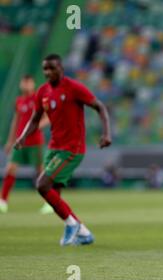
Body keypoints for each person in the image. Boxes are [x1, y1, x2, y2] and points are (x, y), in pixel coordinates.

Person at [14, 54, 112, 246]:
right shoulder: (42, 92)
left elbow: (99, 106)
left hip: (72, 149)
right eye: (45, 69)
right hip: (54, 147)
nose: (48, 72)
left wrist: (106, 133)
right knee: (54, 196)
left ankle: (72, 225)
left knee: (42, 185)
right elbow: (35, 119)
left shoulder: (73, 88)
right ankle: (83, 232)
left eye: (52, 68)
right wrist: (23, 136)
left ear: (61, 68)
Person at [0, 75, 51, 214]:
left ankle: (50, 202)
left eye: (29, 82)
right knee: (10, 168)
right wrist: (10, 141)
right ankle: (3, 201)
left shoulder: (39, 99)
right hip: (20, 141)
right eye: (24, 82)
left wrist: (36, 127)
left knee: (40, 172)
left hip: (35, 141)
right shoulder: (19, 101)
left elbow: (49, 118)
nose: (26, 85)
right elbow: (15, 121)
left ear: (33, 84)